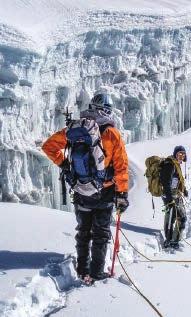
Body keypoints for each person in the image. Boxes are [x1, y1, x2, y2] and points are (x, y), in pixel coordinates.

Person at [42, 93, 129, 281]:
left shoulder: (75, 128)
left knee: (83, 232)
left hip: (81, 190)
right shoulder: (111, 133)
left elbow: (48, 146)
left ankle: (82, 269)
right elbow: (121, 166)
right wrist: (122, 193)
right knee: (101, 233)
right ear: (107, 109)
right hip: (104, 191)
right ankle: (97, 272)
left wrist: (65, 164)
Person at [159, 145, 188, 249]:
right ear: (176, 154)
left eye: (183, 154)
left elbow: (176, 180)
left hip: (175, 194)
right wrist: (169, 198)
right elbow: (165, 183)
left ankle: (173, 240)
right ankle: (170, 240)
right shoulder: (170, 165)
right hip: (169, 195)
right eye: (180, 153)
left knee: (178, 217)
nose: (182, 156)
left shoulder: (176, 164)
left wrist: (184, 190)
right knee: (174, 217)